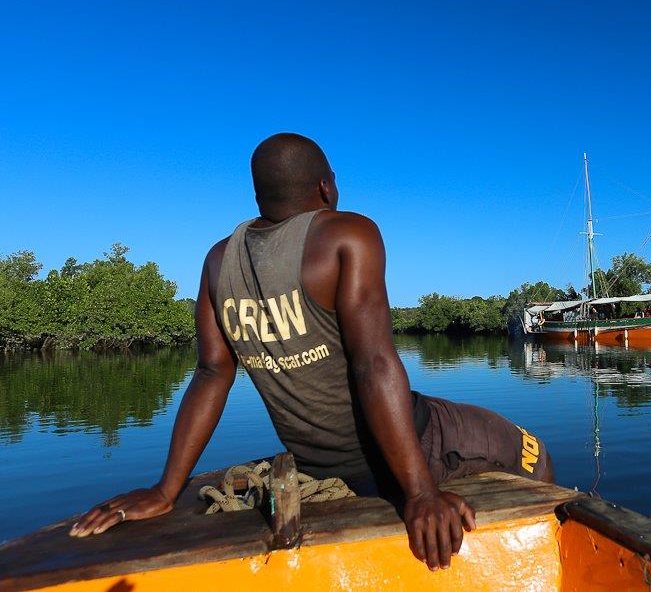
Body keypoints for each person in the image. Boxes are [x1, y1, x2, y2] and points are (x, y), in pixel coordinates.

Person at [68, 133, 554, 572]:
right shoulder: (347, 233)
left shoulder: (218, 260)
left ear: (259, 194)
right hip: (423, 444)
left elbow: (212, 373)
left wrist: (165, 490)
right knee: (533, 451)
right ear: (326, 187)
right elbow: (374, 363)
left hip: (318, 465)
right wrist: (422, 492)